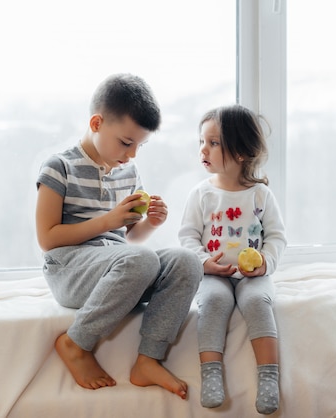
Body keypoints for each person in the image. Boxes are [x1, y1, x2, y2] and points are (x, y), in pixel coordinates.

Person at [36, 73, 202, 399]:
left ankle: (148, 359)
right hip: (69, 268)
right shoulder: (59, 167)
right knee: (139, 260)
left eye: (140, 145)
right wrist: (107, 220)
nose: (132, 155)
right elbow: (48, 239)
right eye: (126, 143)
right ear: (96, 123)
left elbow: (131, 240)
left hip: (119, 265)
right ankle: (75, 342)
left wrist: (150, 223)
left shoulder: (128, 171)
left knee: (187, 261)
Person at [178, 104, 287, 414]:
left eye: (213, 143)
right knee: (211, 301)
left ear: (240, 152)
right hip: (214, 274)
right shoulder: (201, 194)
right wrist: (203, 262)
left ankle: (268, 377)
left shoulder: (260, 194)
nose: (204, 149)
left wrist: (265, 262)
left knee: (256, 302)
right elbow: (187, 236)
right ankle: (211, 373)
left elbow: (277, 236)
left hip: (254, 276)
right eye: (202, 141)